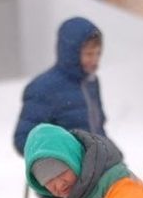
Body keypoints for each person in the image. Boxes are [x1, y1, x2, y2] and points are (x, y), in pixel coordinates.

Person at [13, 17, 107, 155]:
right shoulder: (44, 88)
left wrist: (110, 152)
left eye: (97, 53)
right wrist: (63, 157)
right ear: (70, 52)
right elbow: (24, 140)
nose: (94, 60)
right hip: (64, 172)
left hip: (94, 167)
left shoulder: (90, 83)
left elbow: (96, 129)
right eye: (88, 54)